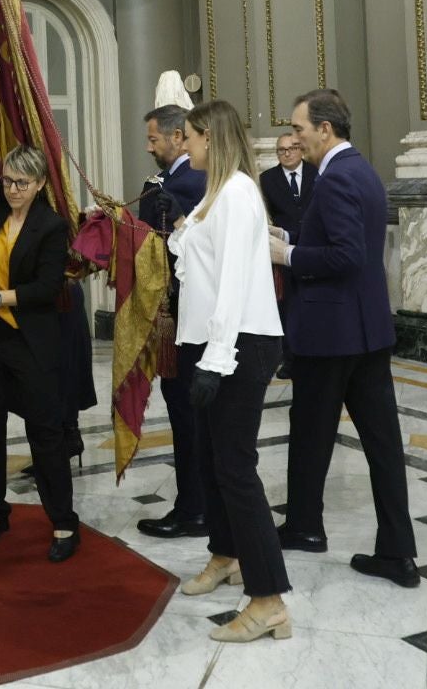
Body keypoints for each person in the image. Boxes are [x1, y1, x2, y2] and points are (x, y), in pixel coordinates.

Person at [270, 89, 418, 587]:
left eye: (299, 128)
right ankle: (397, 551)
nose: (295, 137)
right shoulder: (362, 170)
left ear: (325, 129)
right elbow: (340, 243)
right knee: (383, 446)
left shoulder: (334, 179)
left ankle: (304, 528)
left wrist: (285, 257)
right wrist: (289, 240)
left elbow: (344, 256)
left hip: (330, 333)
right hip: (368, 329)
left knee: (309, 436)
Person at [166, 100, 288, 643]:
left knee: (236, 468)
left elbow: (236, 280)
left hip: (239, 344)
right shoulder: (213, 196)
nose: (182, 144)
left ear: (210, 138)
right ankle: (226, 554)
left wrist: (217, 359)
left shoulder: (237, 192)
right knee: (215, 461)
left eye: (188, 136)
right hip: (210, 342)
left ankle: (269, 600)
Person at [0, 145, 79, 562]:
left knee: (45, 433)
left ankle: (64, 521)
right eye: (8, 180)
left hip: (32, 341)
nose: (12, 189)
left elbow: (47, 289)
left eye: (22, 183)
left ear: (41, 184)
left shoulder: (51, 226)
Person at [134, 104, 209, 540]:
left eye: (153, 139)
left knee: (187, 416)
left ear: (178, 137)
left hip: (183, 316)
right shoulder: (177, 181)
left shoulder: (187, 182)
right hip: (180, 315)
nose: (149, 146)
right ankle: (194, 504)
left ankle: (193, 509)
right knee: (186, 415)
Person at [262, 132, 317, 376]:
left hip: (314, 246)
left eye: (292, 148)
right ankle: (290, 357)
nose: (287, 153)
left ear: (301, 150)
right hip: (281, 249)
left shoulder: (318, 174)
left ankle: (314, 352)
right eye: (281, 150)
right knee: (287, 304)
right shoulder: (267, 179)